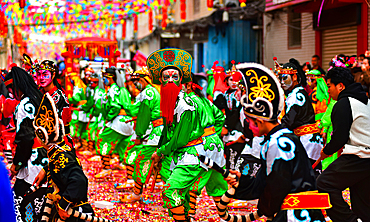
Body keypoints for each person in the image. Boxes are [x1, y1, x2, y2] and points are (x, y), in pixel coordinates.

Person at [219, 62, 326, 222]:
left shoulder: (279, 143)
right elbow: (266, 179)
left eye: (249, 121)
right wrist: (243, 179)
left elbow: (277, 185)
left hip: (297, 214)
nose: (247, 126)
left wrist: (265, 209)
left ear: (260, 121)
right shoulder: (274, 140)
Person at [148, 48, 227, 222]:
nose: (170, 81)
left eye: (174, 77)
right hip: (210, 145)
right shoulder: (176, 100)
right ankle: (221, 217)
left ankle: (184, 218)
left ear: (183, 82)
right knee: (215, 185)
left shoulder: (185, 105)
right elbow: (219, 118)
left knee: (172, 189)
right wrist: (214, 135)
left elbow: (180, 138)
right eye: (165, 78)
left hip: (195, 151)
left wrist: (160, 152)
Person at [317, 67, 370, 222]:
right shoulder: (366, 101)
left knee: (324, 183)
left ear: (340, 86)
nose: (328, 90)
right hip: (366, 158)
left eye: (329, 86)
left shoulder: (343, 103)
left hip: (359, 156)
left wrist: (325, 152)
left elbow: (340, 137)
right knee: (362, 201)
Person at [33, 92, 94, 221]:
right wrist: (46, 169)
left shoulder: (61, 156)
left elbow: (79, 181)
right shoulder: (60, 149)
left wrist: (64, 204)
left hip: (75, 212)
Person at [4, 66, 47, 222]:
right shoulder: (40, 97)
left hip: (33, 160)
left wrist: (17, 164)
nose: (10, 93)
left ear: (16, 86)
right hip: (47, 158)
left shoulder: (24, 105)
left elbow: (26, 139)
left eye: (10, 89)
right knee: (42, 202)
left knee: (23, 202)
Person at [120, 67, 164, 202]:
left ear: (145, 79)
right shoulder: (152, 91)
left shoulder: (148, 93)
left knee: (141, 161)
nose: (136, 83)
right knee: (163, 163)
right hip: (160, 131)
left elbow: (144, 116)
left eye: (138, 80)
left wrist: (139, 135)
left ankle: (136, 194)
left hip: (155, 134)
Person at [95, 67, 134, 178]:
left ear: (110, 78)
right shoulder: (123, 90)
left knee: (102, 140)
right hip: (128, 122)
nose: (103, 80)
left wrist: (108, 117)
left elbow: (115, 106)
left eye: (105, 78)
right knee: (123, 144)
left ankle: (106, 168)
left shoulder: (113, 89)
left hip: (117, 121)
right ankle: (123, 165)